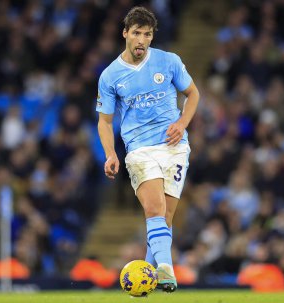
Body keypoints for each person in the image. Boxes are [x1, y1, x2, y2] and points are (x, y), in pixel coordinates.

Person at [96, 6, 199, 292]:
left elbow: (193, 94)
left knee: (165, 219)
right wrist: (110, 153)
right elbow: (104, 122)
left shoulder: (168, 62)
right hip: (140, 150)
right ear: (125, 33)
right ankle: (166, 269)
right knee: (154, 209)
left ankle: (143, 280)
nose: (142, 40)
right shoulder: (110, 76)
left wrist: (182, 122)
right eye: (137, 33)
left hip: (175, 147)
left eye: (148, 34)